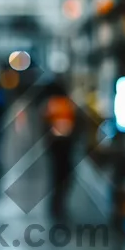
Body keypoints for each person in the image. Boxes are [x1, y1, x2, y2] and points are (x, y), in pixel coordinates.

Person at [42, 79, 77, 218]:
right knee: (64, 175)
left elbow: (44, 126)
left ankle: (56, 203)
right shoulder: (66, 105)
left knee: (57, 174)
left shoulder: (50, 105)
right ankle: (58, 203)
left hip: (56, 145)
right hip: (64, 145)